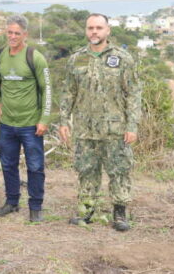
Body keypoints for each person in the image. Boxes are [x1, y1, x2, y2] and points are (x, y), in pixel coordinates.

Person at [58, 13, 140, 232]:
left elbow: (133, 94)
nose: (94, 32)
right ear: (86, 31)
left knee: (119, 171)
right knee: (86, 170)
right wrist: (64, 121)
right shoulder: (77, 59)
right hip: (85, 129)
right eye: (90, 28)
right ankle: (87, 211)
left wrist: (132, 126)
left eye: (98, 28)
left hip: (115, 128)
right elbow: (68, 92)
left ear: (107, 31)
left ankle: (120, 212)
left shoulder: (123, 59)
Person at [0, 15, 53, 222]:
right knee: (8, 164)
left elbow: (47, 90)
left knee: (35, 166)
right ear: (5, 32)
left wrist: (44, 119)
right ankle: (12, 202)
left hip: (31, 124)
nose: (13, 36)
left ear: (25, 34)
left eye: (17, 33)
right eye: (10, 32)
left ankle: (35, 206)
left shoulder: (35, 57)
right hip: (7, 123)